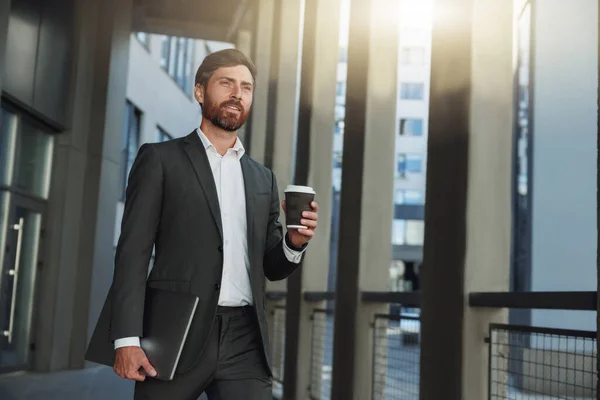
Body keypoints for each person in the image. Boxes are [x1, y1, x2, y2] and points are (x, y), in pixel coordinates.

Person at [110, 48, 319, 399]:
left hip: (244, 340)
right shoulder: (160, 160)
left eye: (247, 87)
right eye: (227, 83)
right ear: (200, 91)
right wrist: (127, 339)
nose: (238, 93)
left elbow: (271, 266)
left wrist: (293, 243)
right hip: (174, 333)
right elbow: (133, 252)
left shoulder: (262, 178)